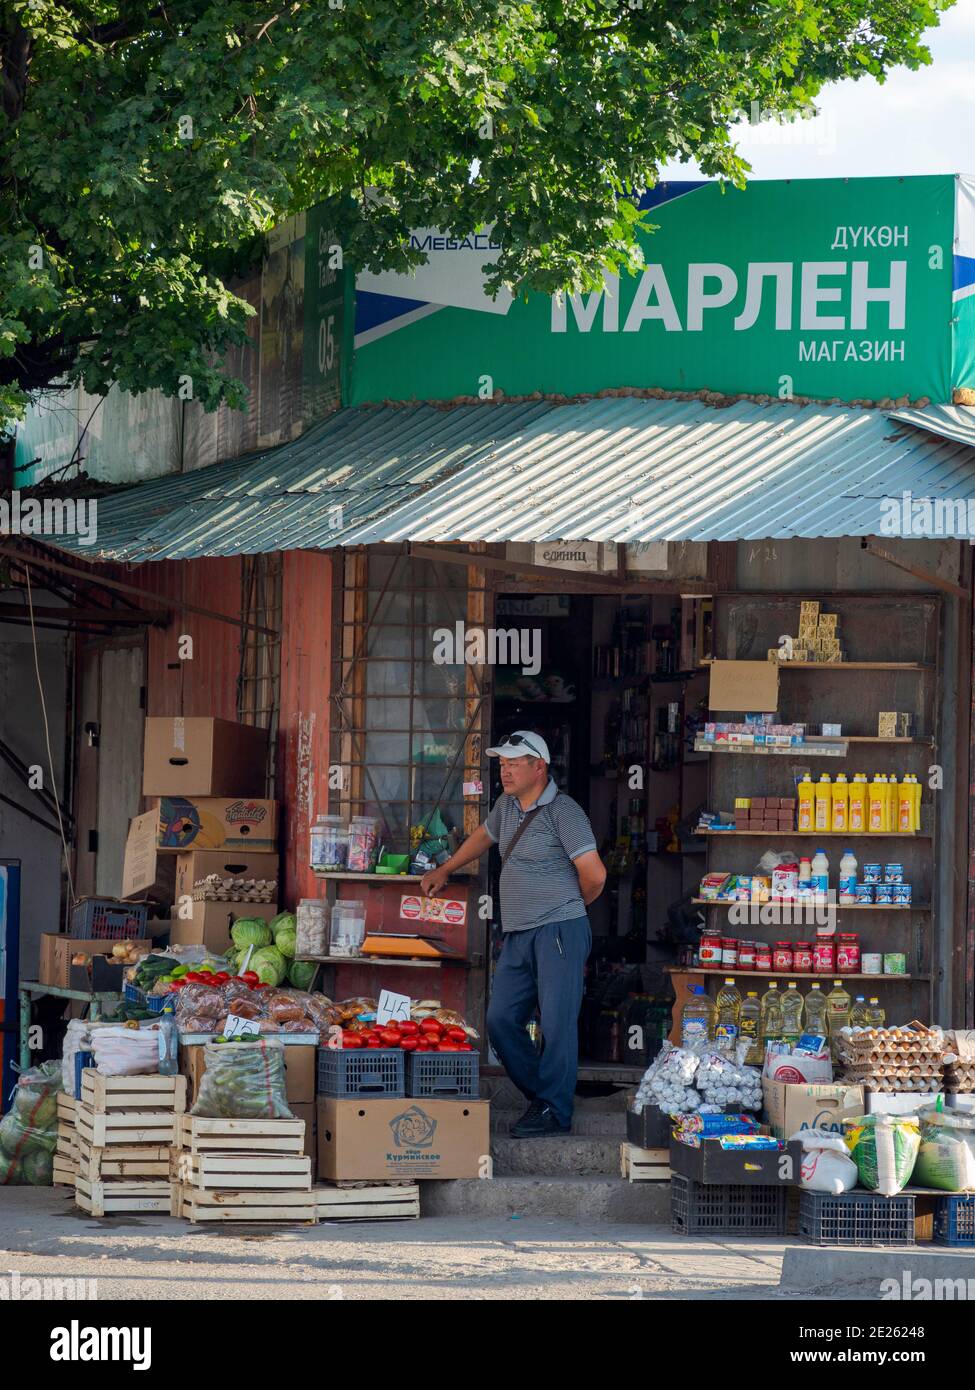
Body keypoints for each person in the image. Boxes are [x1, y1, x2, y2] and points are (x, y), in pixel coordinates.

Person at [420, 731, 606, 1137]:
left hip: (558, 929)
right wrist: (446, 868)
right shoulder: (506, 807)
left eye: (514, 763)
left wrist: (566, 910)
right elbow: (483, 838)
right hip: (520, 933)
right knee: (501, 1019)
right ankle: (544, 1096)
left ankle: (555, 1112)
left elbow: (595, 876)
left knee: (557, 1024)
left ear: (539, 767)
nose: (504, 770)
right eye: (502, 763)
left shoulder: (564, 811)